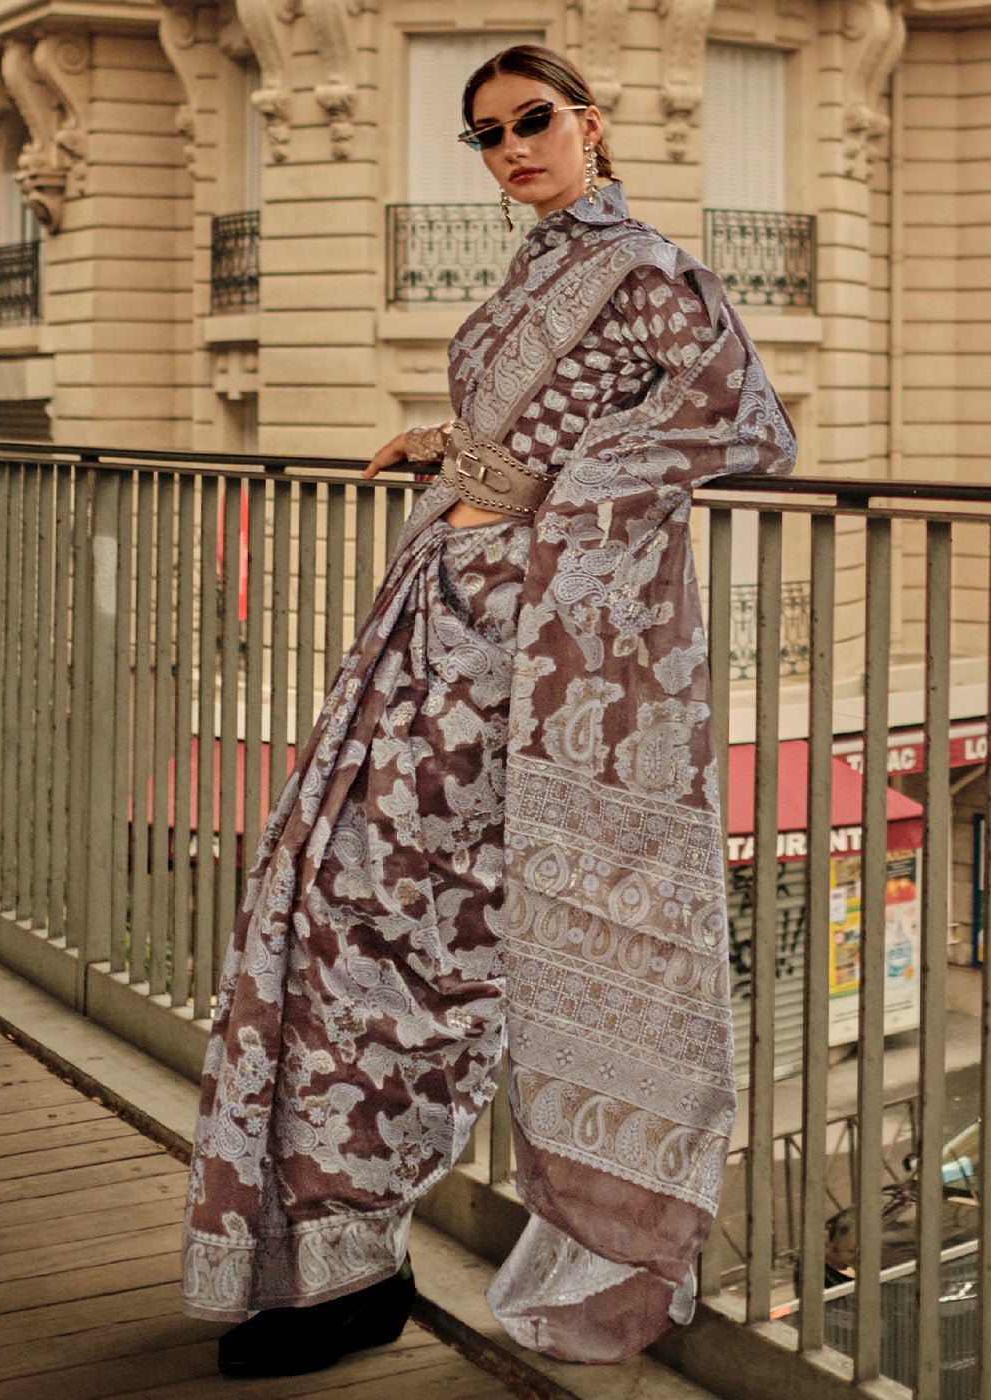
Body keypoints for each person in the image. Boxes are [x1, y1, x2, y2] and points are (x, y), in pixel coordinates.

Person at [181, 43, 796, 1378]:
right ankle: (339, 1255)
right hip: (433, 622)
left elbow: (745, 423)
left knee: (426, 937)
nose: (513, 148)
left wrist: (544, 498)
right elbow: (532, 423)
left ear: (589, 123)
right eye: (489, 135)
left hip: (521, 658)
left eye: (533, 121)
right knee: (338, 918)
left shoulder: (646, 273)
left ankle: (361, 1266)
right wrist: (449, 447)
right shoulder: (534, 269)